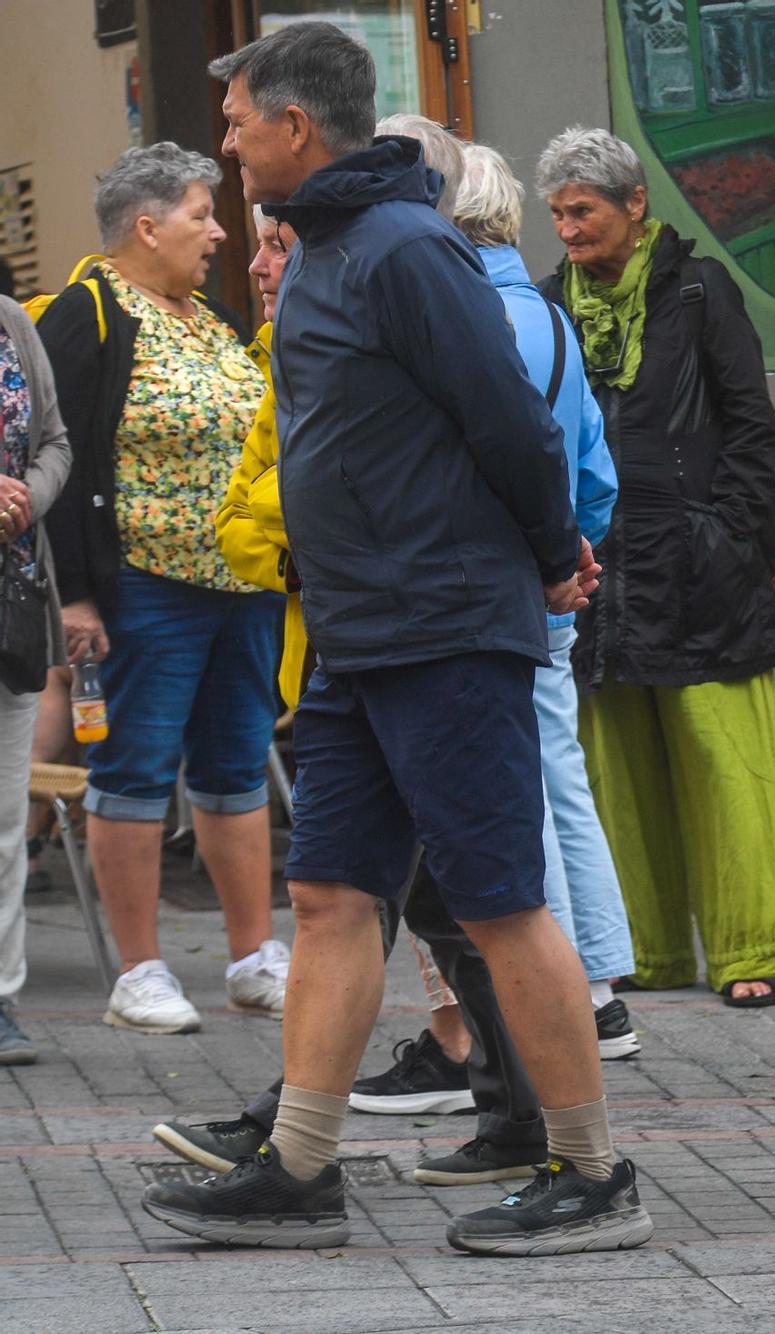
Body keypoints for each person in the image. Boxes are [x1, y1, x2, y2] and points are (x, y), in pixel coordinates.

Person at [140, 21, 648, 1254]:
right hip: (363, 634)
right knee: (328, 894)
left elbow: (511, 424)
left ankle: (592, 1169)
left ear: (297, 129)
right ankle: (301, 1167)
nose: (226, 139)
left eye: (239, 118)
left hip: (440, 627)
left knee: (498, 900)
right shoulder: (322, 252)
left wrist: (547, 556)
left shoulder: (404, 249)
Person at [162, 199, 555, 1191]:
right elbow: (249, 509)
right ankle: (333, 1139)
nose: (255, 262)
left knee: (450, 903)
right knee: (384, 899)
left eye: (275, 244)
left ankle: (549, 1144)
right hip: (349, 649)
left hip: (415, 645)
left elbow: (516, 447)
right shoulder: (292, 346)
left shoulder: (419, 305)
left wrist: (556, 557)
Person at [536, 128, 775, 1009]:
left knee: (726, 761)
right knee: (617, 765)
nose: (568, 229)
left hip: (701, 563)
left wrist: (728, 532)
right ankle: (646, 952)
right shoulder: (548, 306)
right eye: (558, 213)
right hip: (602, 567)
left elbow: (753, 427)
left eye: (584, 210)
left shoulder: (698, 288)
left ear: (635, 204)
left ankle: (748, 951)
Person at [37, 142, 289, 1035]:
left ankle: (254, 957)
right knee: (135, 770)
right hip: (145, 588)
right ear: (146, 228)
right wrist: (75, 596)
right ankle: (140, 972)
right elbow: (59, 460)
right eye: (200, 216)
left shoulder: (211, 321)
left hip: (241, 585)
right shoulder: (85, 316)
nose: (220, 233)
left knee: (233, 767)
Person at [449, 139, 637, 1053]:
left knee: (523, 790)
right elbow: (595, 471)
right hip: (551, 579)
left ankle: (559, 995)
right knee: (562, 778)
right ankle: (600, 986)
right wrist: (573, 554)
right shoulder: (549, 317)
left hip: (491, 588)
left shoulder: (468, 321)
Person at [0, 290, 74, 1066]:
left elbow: (53, 441)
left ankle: (0, 998)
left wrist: (28, 497)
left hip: (12, 604)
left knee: (2, 815)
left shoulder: (11, 322)